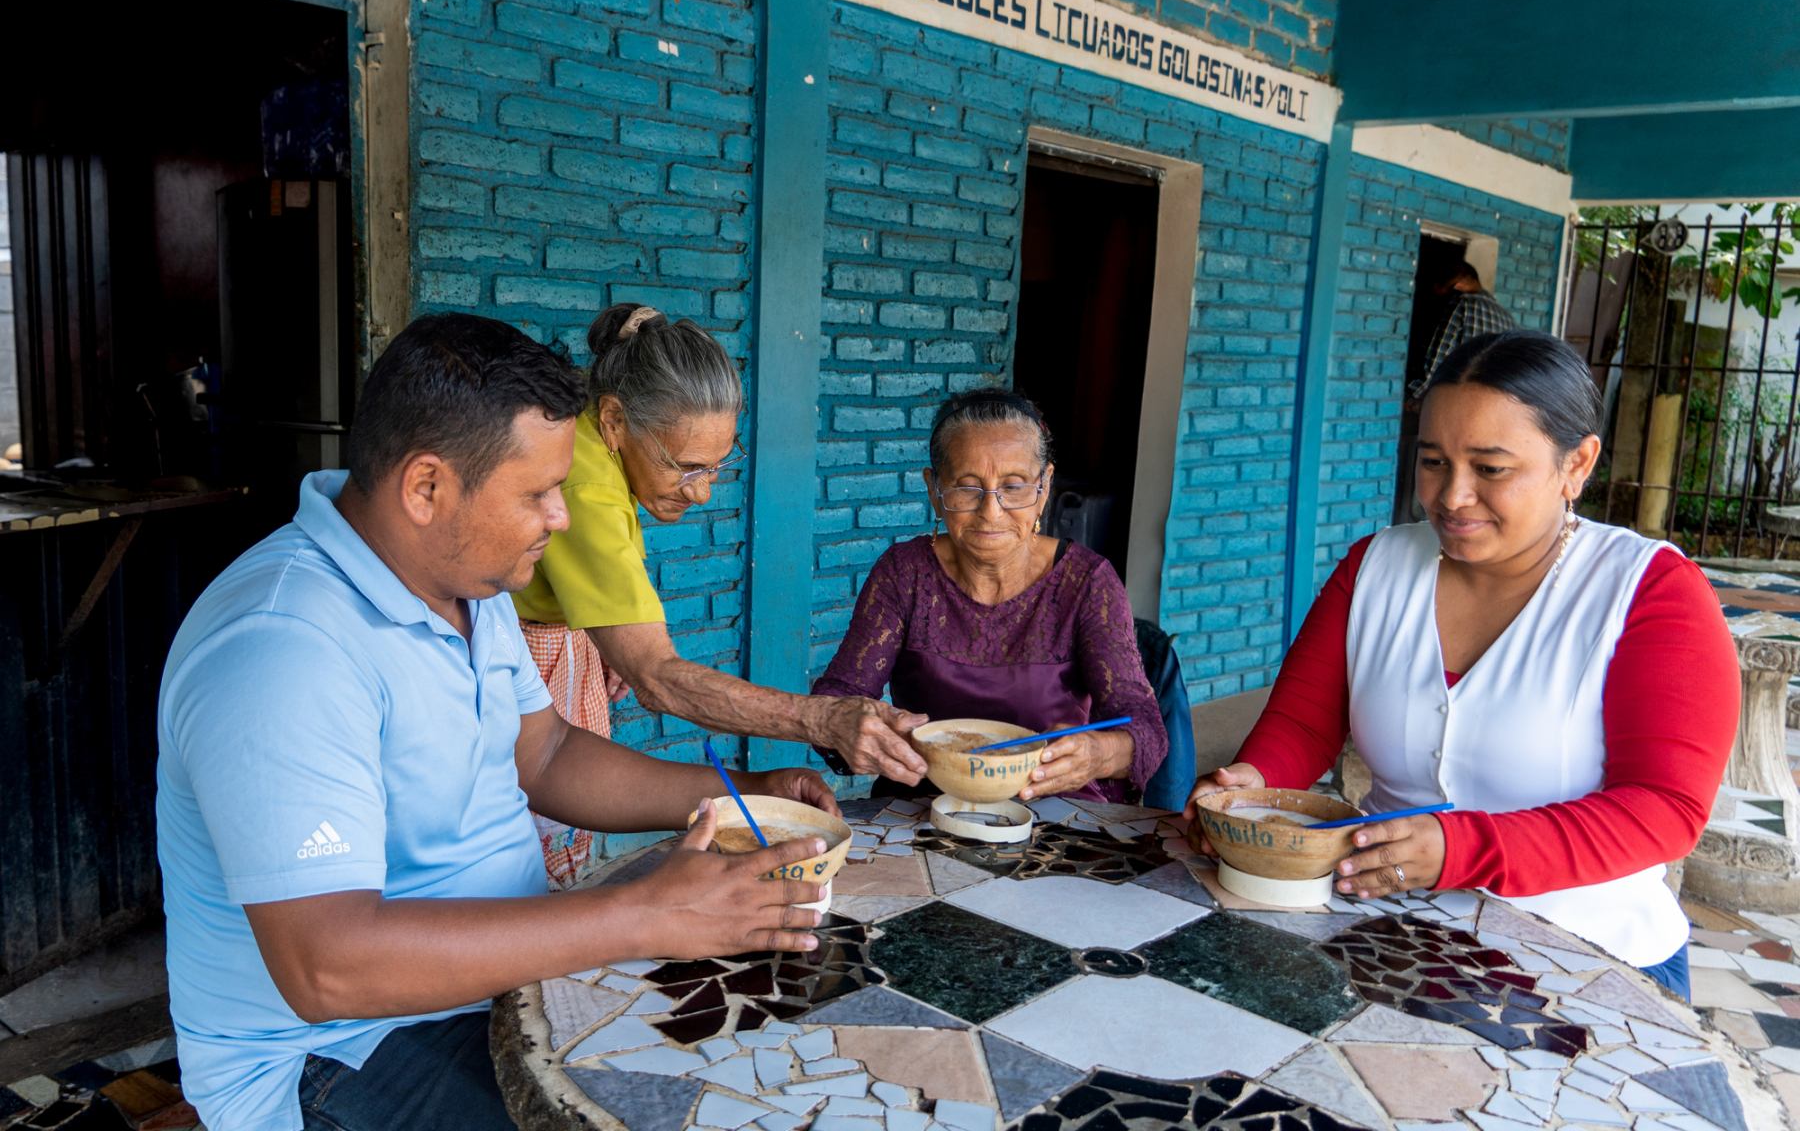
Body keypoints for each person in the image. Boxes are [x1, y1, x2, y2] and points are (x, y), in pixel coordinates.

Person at [157, 314, 840, 1131]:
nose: (560, 517)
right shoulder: (283, 651)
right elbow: (327, 968)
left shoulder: (471, 592)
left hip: (506, 979)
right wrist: (641, 915)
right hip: (338, 1051)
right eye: (536, 494)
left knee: (760, 1068)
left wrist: (737, 796)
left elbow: (545, 755)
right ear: (426, 487)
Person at [1188, 331, 1737, 998]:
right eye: (1433, 462)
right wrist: (1249, 786)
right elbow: (1305, 725)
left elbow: (1663, 808)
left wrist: (1461, 849)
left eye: (1491, 468)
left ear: (1577, 464)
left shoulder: (1647, 592)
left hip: (1589, 959)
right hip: (1386, 934)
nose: (1452, 495)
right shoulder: (1376, 567)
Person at [511, 304, 928, 880]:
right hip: (524, 671)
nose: (704, 492)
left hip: (556, 667)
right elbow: (656, 678)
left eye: (717, 464)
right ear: (612, 420)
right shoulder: (580, 485)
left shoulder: (600, 448)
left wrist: (611, 638)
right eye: (686, 468)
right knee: (525, 858)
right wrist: (822, 721)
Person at [813, 389, 1167, 803]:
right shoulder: (904, 573)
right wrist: (854, 729)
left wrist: (1099, 753)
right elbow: (836, 699)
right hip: (922, 810)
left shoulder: (1087, 583)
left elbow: (1147, 731)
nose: (991, 511)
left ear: (1044, 486)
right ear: (934, 489)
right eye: (967, 488)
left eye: (1013, 487)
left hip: (1051, 812)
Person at [1408, 261, 1519, 402]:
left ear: (1458, 287)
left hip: (1458, 401)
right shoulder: (1507, 317)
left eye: (1443, 295)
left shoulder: (1462, 304)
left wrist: (1413, 395)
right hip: (1494, 405)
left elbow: (1438, 358)